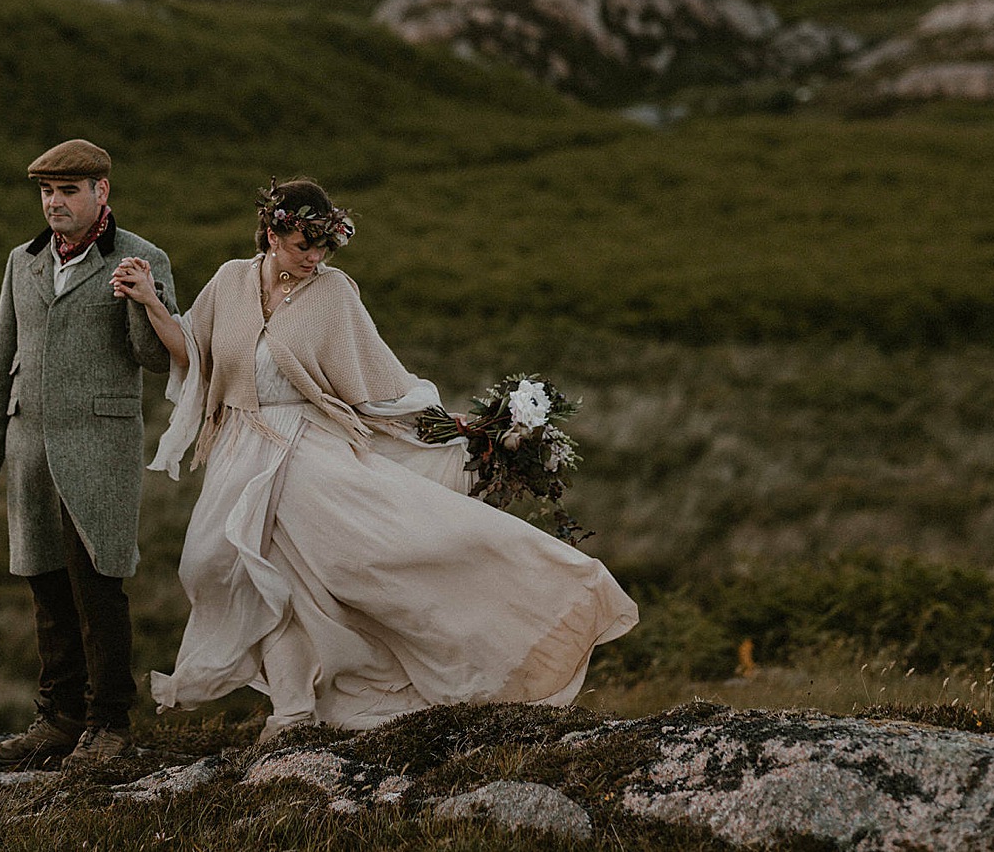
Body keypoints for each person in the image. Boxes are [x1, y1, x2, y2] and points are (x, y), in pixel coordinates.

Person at [110, 178, 637, 742]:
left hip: (306, 450)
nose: (314, 259)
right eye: (302, 246)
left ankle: (292, 714)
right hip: (240, 448)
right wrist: (150, 302)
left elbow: (379, 380)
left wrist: (454, 426)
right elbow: (193, 352)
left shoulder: (335, 293)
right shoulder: (229, 282)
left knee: (361, 561)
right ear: (271, 234)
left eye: (322, 248)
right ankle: (293, 705)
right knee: (214, 568)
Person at [0, 139, 177, 766]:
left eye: (68, 192)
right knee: (46, 588)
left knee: (98, 590)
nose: (55, 204)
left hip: (99, 450)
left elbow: (159, 358)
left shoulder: (143, 257)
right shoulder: (21, 261)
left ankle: (110, 725)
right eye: (47, 193)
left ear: (101, 193)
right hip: (30, 448)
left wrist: (146, 299)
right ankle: (58, 719)